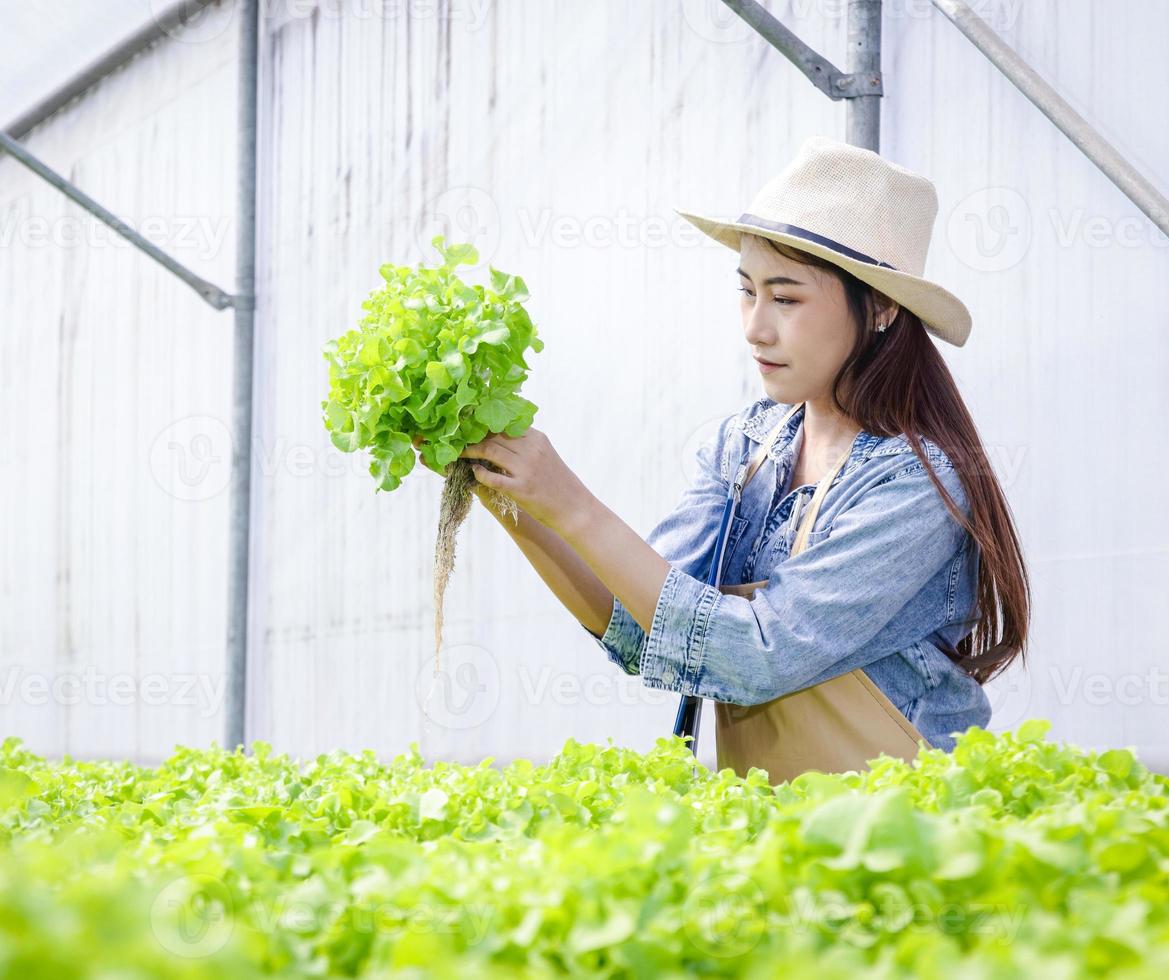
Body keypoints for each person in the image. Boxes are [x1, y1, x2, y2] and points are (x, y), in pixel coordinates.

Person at [418, 136, 1030, 780]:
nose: (755, 327)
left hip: (903, 824)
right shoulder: (745, 447)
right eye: (747, 291)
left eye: (786, 298)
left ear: (879, 307)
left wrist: (572, 503)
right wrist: (509, 493)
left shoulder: (915, 483)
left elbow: (757, 654)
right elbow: (639, 627)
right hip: (775, 833)